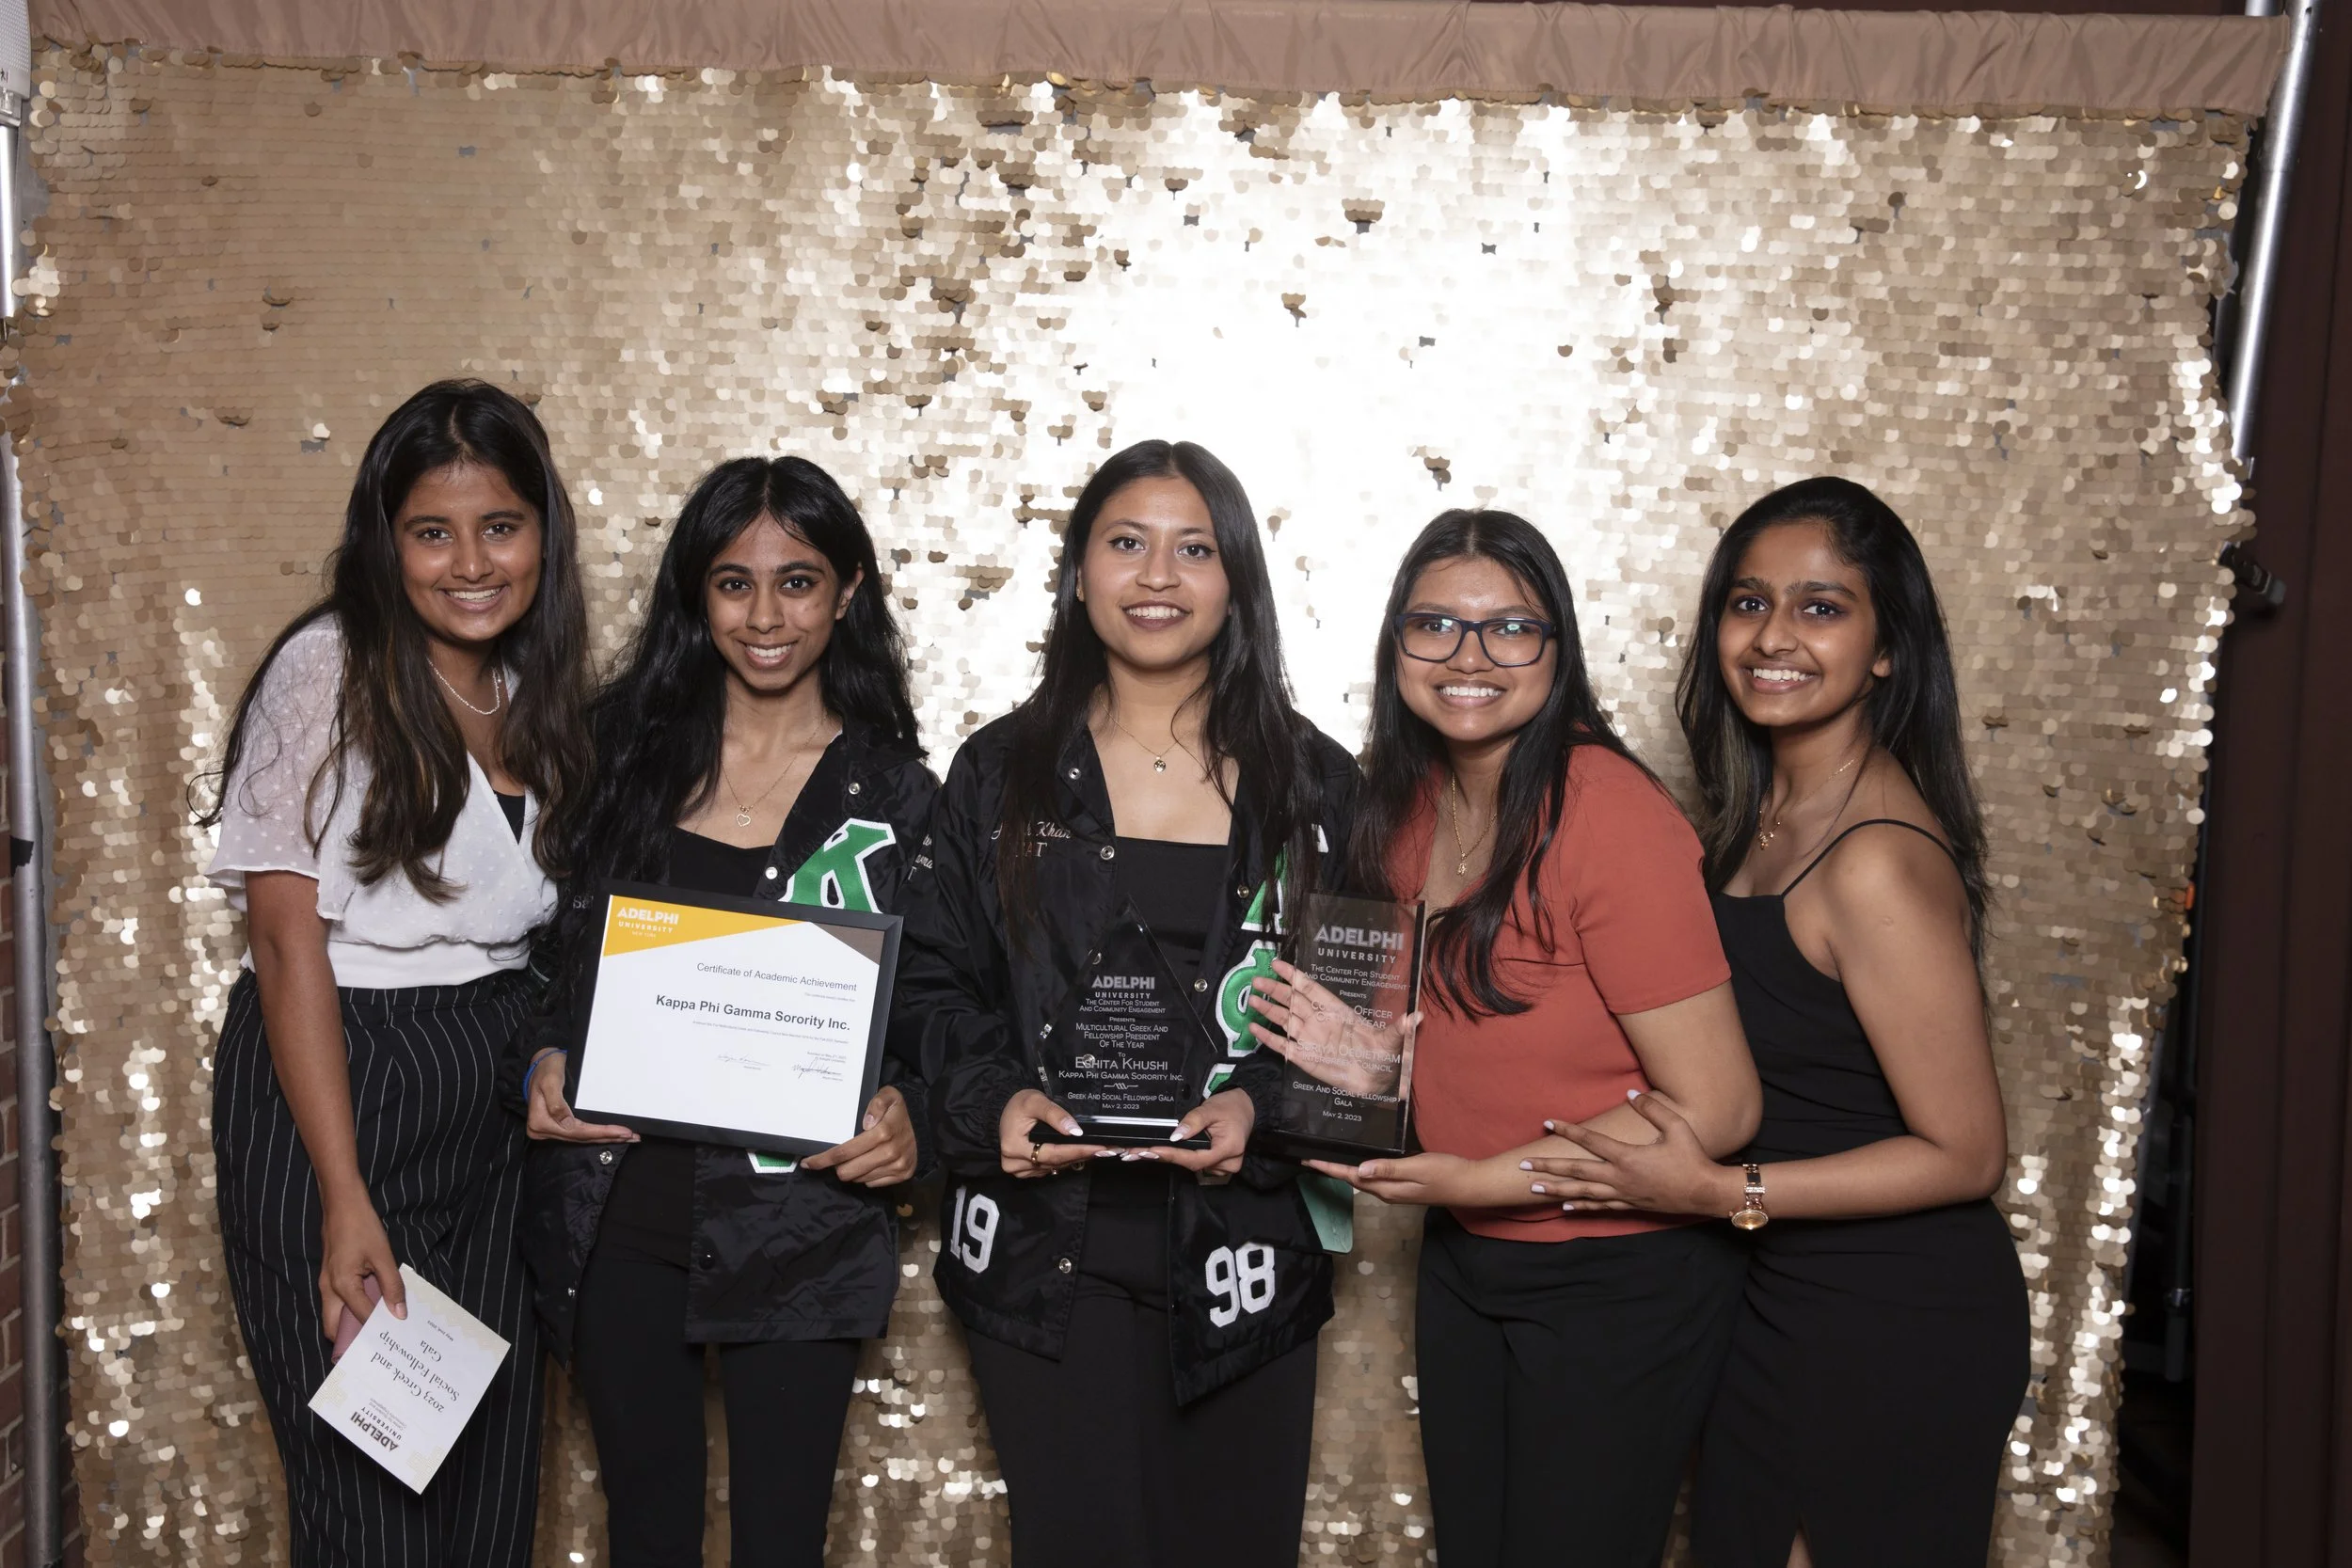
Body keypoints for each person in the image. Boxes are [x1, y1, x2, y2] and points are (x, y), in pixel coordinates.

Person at [1524, 477, 2027, 1567]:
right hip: (1769, 1297)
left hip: (1891, 1317)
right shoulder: (1754, 821)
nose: (1773, 636)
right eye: (1748, 602)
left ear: (1887, 647)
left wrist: (1716, 1194)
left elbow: (1968, 1150)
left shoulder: (1876, 858)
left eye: (1822, 606)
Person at [1257, 508, 1761, 1568]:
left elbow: (1718, 1107)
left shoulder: (1605, 811)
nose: (1469, 656)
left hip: (1617, 1281)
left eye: (1508, 628)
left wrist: (1489, 1178)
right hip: (1466, 1262)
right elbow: (1469, 1045)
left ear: (1557, 648)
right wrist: (1371, 1073)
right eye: (1433, 624)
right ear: (1395, 644)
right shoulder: (1406, 806)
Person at [891, 439, 1358, 1568]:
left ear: (1236, 576)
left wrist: (1262, 1105)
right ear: (1079, 571)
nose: (1157, 575)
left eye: (1194, 548)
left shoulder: (1316, 782)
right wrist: (994, 1094)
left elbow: (1358, 1007)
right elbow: (929, 975)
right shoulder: (998, 771)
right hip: (1049, 1245)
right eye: (1126, 543)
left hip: (1245, 1241)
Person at [513, 457, 935, 1568]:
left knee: (782, 1544)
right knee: (645, 1535)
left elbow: (943, 1011)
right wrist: (543, 1055)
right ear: (695, 597)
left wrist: (914, 1118)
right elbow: (538, 960)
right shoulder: (616, 760)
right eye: (733, 581)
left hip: (803, 1225)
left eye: (797, 581)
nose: (764, 614)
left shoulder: (898, 795)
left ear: (848, 590)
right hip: (620, 1214)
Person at [200, 379, 593, 1566]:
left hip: (489, 1118)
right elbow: (285, 941)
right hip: (346, 1084)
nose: (469, 561)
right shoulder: (328, 667)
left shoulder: (536, 690)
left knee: (485, 1494)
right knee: (374, 1504)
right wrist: (343, 1193)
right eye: (432, 531)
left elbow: (532, 940)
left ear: (542, 534)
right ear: (387, 540)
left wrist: (541, 1053)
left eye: (500, 526)